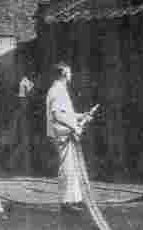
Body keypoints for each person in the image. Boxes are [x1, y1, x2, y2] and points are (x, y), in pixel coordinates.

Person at [46, 62, 96, 213]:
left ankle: (73, 199)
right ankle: (66, 202)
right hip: (62, 134)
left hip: (64, 132)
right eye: (70, 73)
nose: (71, 75)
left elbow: (65, 113)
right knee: (67, 167)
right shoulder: (57, 91)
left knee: (72, 166)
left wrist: (81, 115)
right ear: (64, 75)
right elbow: (58, 114)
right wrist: (75, 127)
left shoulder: (58, 89)